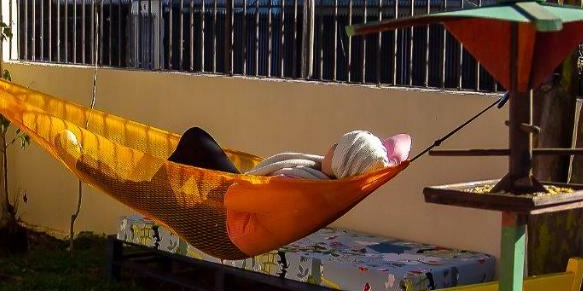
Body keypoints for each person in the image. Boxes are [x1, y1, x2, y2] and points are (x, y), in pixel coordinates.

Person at [167, 127, 411, 179]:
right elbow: (400, 143)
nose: (329, 147)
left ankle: (155, 181)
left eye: (337, 146)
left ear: (342, 162)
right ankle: (160, 180)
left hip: (236, 195)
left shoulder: (304, 181)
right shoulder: (323, 179)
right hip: (241, 188)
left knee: (195, 138)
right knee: (194, 149)